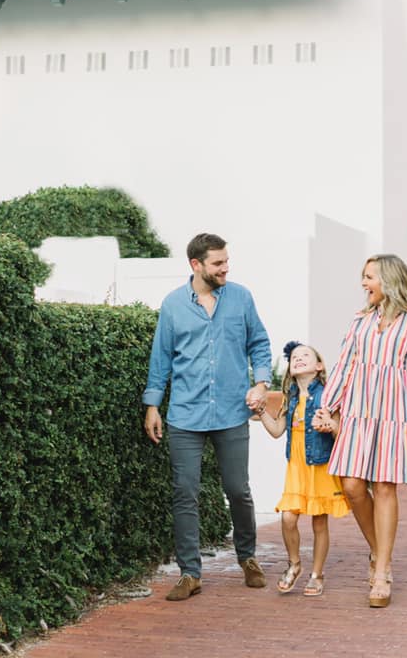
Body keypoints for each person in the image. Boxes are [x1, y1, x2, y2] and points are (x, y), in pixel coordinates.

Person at [143, 232, 272, 601]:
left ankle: (247, 558)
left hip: (232, 411)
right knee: (185, 493)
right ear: (196, 265)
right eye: (218, 263)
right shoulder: (172, 306)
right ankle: (190, 573)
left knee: (238, 490)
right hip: (185, 414)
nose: (225, 268)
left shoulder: (241, 298)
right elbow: (161, 360)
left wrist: (261, 383)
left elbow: (259, 344)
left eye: (227, 261)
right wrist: (153, 405)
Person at [313, 253, 407, 608]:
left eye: (369, 277)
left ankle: (382, 570)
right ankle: (378, 551)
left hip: (394, 410)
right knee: (353, 485)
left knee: (385, 486)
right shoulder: (360, 320)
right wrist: (327, 405)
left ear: (388, 280)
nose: (363, 283)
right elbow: (343, 365)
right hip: (357, 411)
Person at [255, 340, 349, 597]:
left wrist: (329, 425)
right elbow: (276, 431)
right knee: (288, 518)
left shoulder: (328, 396)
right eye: (294, 357)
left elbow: (341, 432)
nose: (298, 358)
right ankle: (294, 563)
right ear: (290, 369)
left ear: (319, 366)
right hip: (296, 468)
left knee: (319, 523)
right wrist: (262, 411)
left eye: (305, 355)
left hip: (319, 467)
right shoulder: (291, 398)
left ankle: (317, 574)